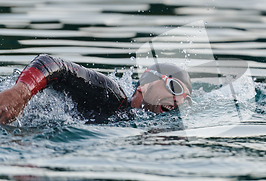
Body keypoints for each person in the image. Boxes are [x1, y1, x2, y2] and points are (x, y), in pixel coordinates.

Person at [0, 54, 192, 124]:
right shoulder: (112, 95)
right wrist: (20, 93)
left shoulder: (132, 119)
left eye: (186, 99)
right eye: (173, 87)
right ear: (146, 85)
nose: (179, 101)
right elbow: (53, 63)